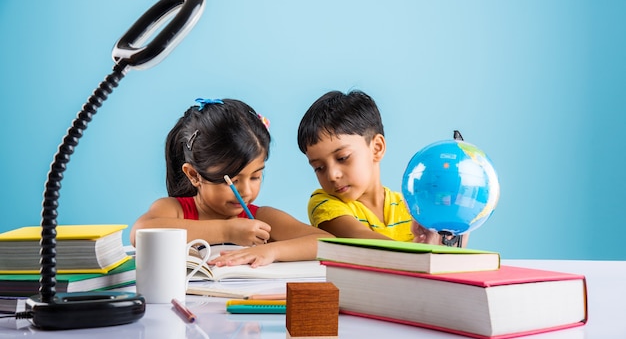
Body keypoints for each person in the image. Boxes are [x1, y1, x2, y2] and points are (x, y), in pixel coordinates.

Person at [131, 98, 330, 267]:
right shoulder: (174, 210)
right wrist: (226, 231)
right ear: (193, 175)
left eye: (255, 177)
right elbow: (139, 234)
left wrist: (272, 251)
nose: (245, 191)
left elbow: (328, 243)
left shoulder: (261, 218)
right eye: (232, 181)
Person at [297, 90, 465, 246]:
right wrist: (420, 252)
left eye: (342, 158)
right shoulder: (324, 203)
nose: (332, 175)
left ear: (376, 148)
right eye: (319, 168)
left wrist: (454, 233)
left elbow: (451, 255)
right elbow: (358, 236)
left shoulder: (413, 206)